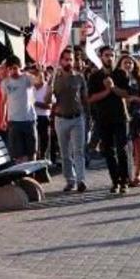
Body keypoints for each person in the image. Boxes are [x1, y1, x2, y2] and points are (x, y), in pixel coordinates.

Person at [88, 46, 131, 194]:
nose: (110, 58)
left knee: (122, 150)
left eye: (112, 55)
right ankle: (115, 181)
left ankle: (125, 181)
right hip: (103, 118)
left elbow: (127, 94)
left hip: (120, 117)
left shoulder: (121, 74)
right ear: (101, 57)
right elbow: (91, 98)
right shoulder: (94, 77)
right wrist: (106, 91)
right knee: (108, 152)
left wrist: (113, 88)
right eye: (107, 55)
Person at [49, 49, 89, 192]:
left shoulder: (79, 77)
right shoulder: (55, 78)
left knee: (78, 151)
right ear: (60, 61)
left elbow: (85, 99)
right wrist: (49, 87)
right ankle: (70, 180)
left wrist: (87, 117)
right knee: (65, 153)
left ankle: (81, 180)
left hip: (77, 118)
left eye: (71, 59)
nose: (68, 62)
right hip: (61, 119)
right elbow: (48, 100)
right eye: (66, 59)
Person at [117, 55, 140, 187]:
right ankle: (127, 174)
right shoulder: (117, 79)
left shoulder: (139, 78)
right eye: (125, 63)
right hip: (122, 115)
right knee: (125, 146)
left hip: (137, 115)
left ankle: (138, 173)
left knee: (138, 145)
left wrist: (133, 98)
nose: (128, 65)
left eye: (130, 63)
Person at [0, 56, 37, 162]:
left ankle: (31, 176)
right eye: (10, 69)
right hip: (14, 122)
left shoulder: (27, 78)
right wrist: (3, 119)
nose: (13, 71)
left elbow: (38, 82)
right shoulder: (5, 83)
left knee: (31, 153)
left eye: (15, 68)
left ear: (20, 67)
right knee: (18, 154)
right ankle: (21, 177)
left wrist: (40, 73)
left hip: (28, 120)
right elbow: (3, 102)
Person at [32, 67, 54, 165]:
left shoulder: (47, 88)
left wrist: (35, 103)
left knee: (44, 140)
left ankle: (43, 158)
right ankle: (35, 159)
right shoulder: (29, 88)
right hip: (31, 117)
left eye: (40, 76)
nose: (38, 78)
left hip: (43, 117)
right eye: (35, 76)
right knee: (33, 141)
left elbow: (49, 106)